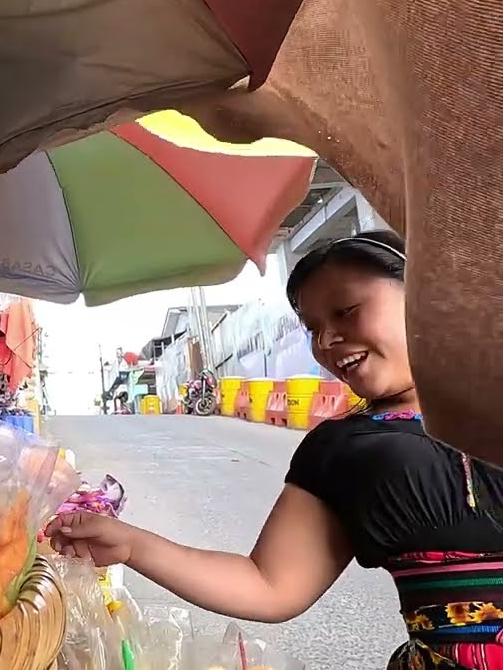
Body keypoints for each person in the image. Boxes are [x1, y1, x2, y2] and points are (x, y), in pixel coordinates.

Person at [47, 230, 503, 669]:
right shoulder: (341, 448)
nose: (326, 341)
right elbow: (269, 584)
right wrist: (131, 545)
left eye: (346, 311)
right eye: (313, 327)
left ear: (423, 292)